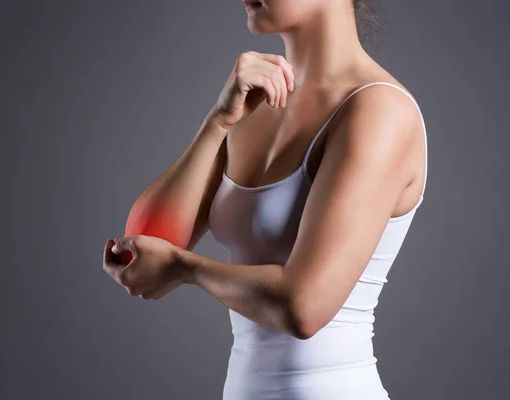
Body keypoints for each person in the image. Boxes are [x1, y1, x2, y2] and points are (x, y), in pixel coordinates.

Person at [103, 0, 428, 398]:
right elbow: (143, 246)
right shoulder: (257, 100)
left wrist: (182, 268)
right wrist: (217, 123)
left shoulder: (378, 110)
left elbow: (304, 307)